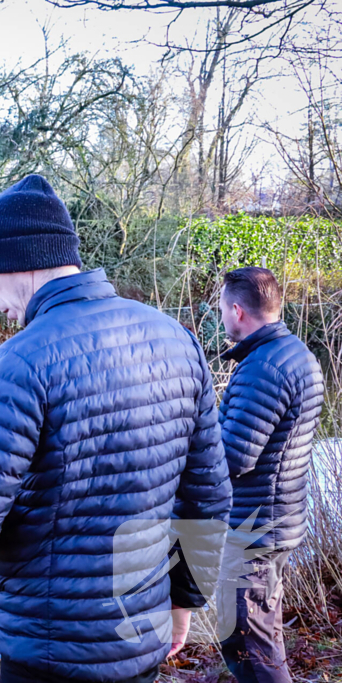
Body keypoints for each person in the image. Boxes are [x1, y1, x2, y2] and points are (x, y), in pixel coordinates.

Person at [0, 174, 232, 683]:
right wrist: (183, 602)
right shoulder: (178, 340)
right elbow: (209, 498)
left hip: (49, 653)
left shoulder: (18, 363)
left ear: (16, 261)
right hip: (140, 638)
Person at [216, 267, 324, 683]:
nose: (223, 317)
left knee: (247, 643)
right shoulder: (297, 353)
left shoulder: (263, 367)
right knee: (262, 634)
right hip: (276, 521)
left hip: (253, 530)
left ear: (238, 310)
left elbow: (234, 457)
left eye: (224, 309)